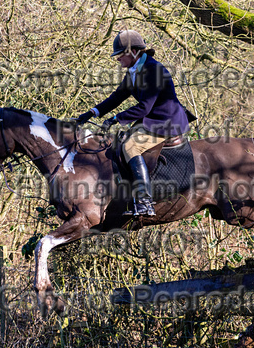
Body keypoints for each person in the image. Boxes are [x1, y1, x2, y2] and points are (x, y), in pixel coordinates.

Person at [76, 30, 190, 217]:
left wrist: (116, 119)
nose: (118, 59)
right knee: (119, 142)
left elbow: (145, 107)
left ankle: (145, 203)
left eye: (120, 55)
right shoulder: (134, 70)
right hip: (152, 119)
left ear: (134, 52)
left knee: (131, 147)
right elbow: (118, 96)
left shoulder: (154, 71)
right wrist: (91, 113)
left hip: (166, 122)